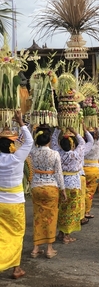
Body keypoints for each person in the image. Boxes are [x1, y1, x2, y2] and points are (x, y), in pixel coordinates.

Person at [0, 110, 33, 279]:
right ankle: (15, 268)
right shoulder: (17, 158)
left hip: (0, 203)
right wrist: (21, 122)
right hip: (15, 203)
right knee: (17, 233)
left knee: (2, 235)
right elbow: (29, 141)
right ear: (12, 145)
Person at [30, 125, 66, 259]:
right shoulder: (54, 154)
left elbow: (29, 143)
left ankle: (35, 248)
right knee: (51, 218)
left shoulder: (33, 152)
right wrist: (63, 190)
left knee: (37, 217)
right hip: (51, 187)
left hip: (36, 187)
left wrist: (30, 129)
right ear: (49, 141)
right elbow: (59, 173)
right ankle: (49, 249)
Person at [51, 127, 85, 243]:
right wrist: (75, 131)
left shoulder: (57, 152)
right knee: (71, 210)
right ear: (71, 145)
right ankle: (66, 236)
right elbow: (82, 142)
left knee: (61, 209)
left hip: (60, 184)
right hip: (74, 184)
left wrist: (58, 129)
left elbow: (54, 140)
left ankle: (61, 233)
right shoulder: (76, 154)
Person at [83, 127, 99, 218]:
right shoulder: (97, 146)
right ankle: (86, 212)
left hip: (83, 170)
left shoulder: (82, 146)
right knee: (90, 192)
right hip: (94, 171)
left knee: (82, 191)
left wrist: (83, 129)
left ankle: (81, 212)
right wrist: (97, 128)